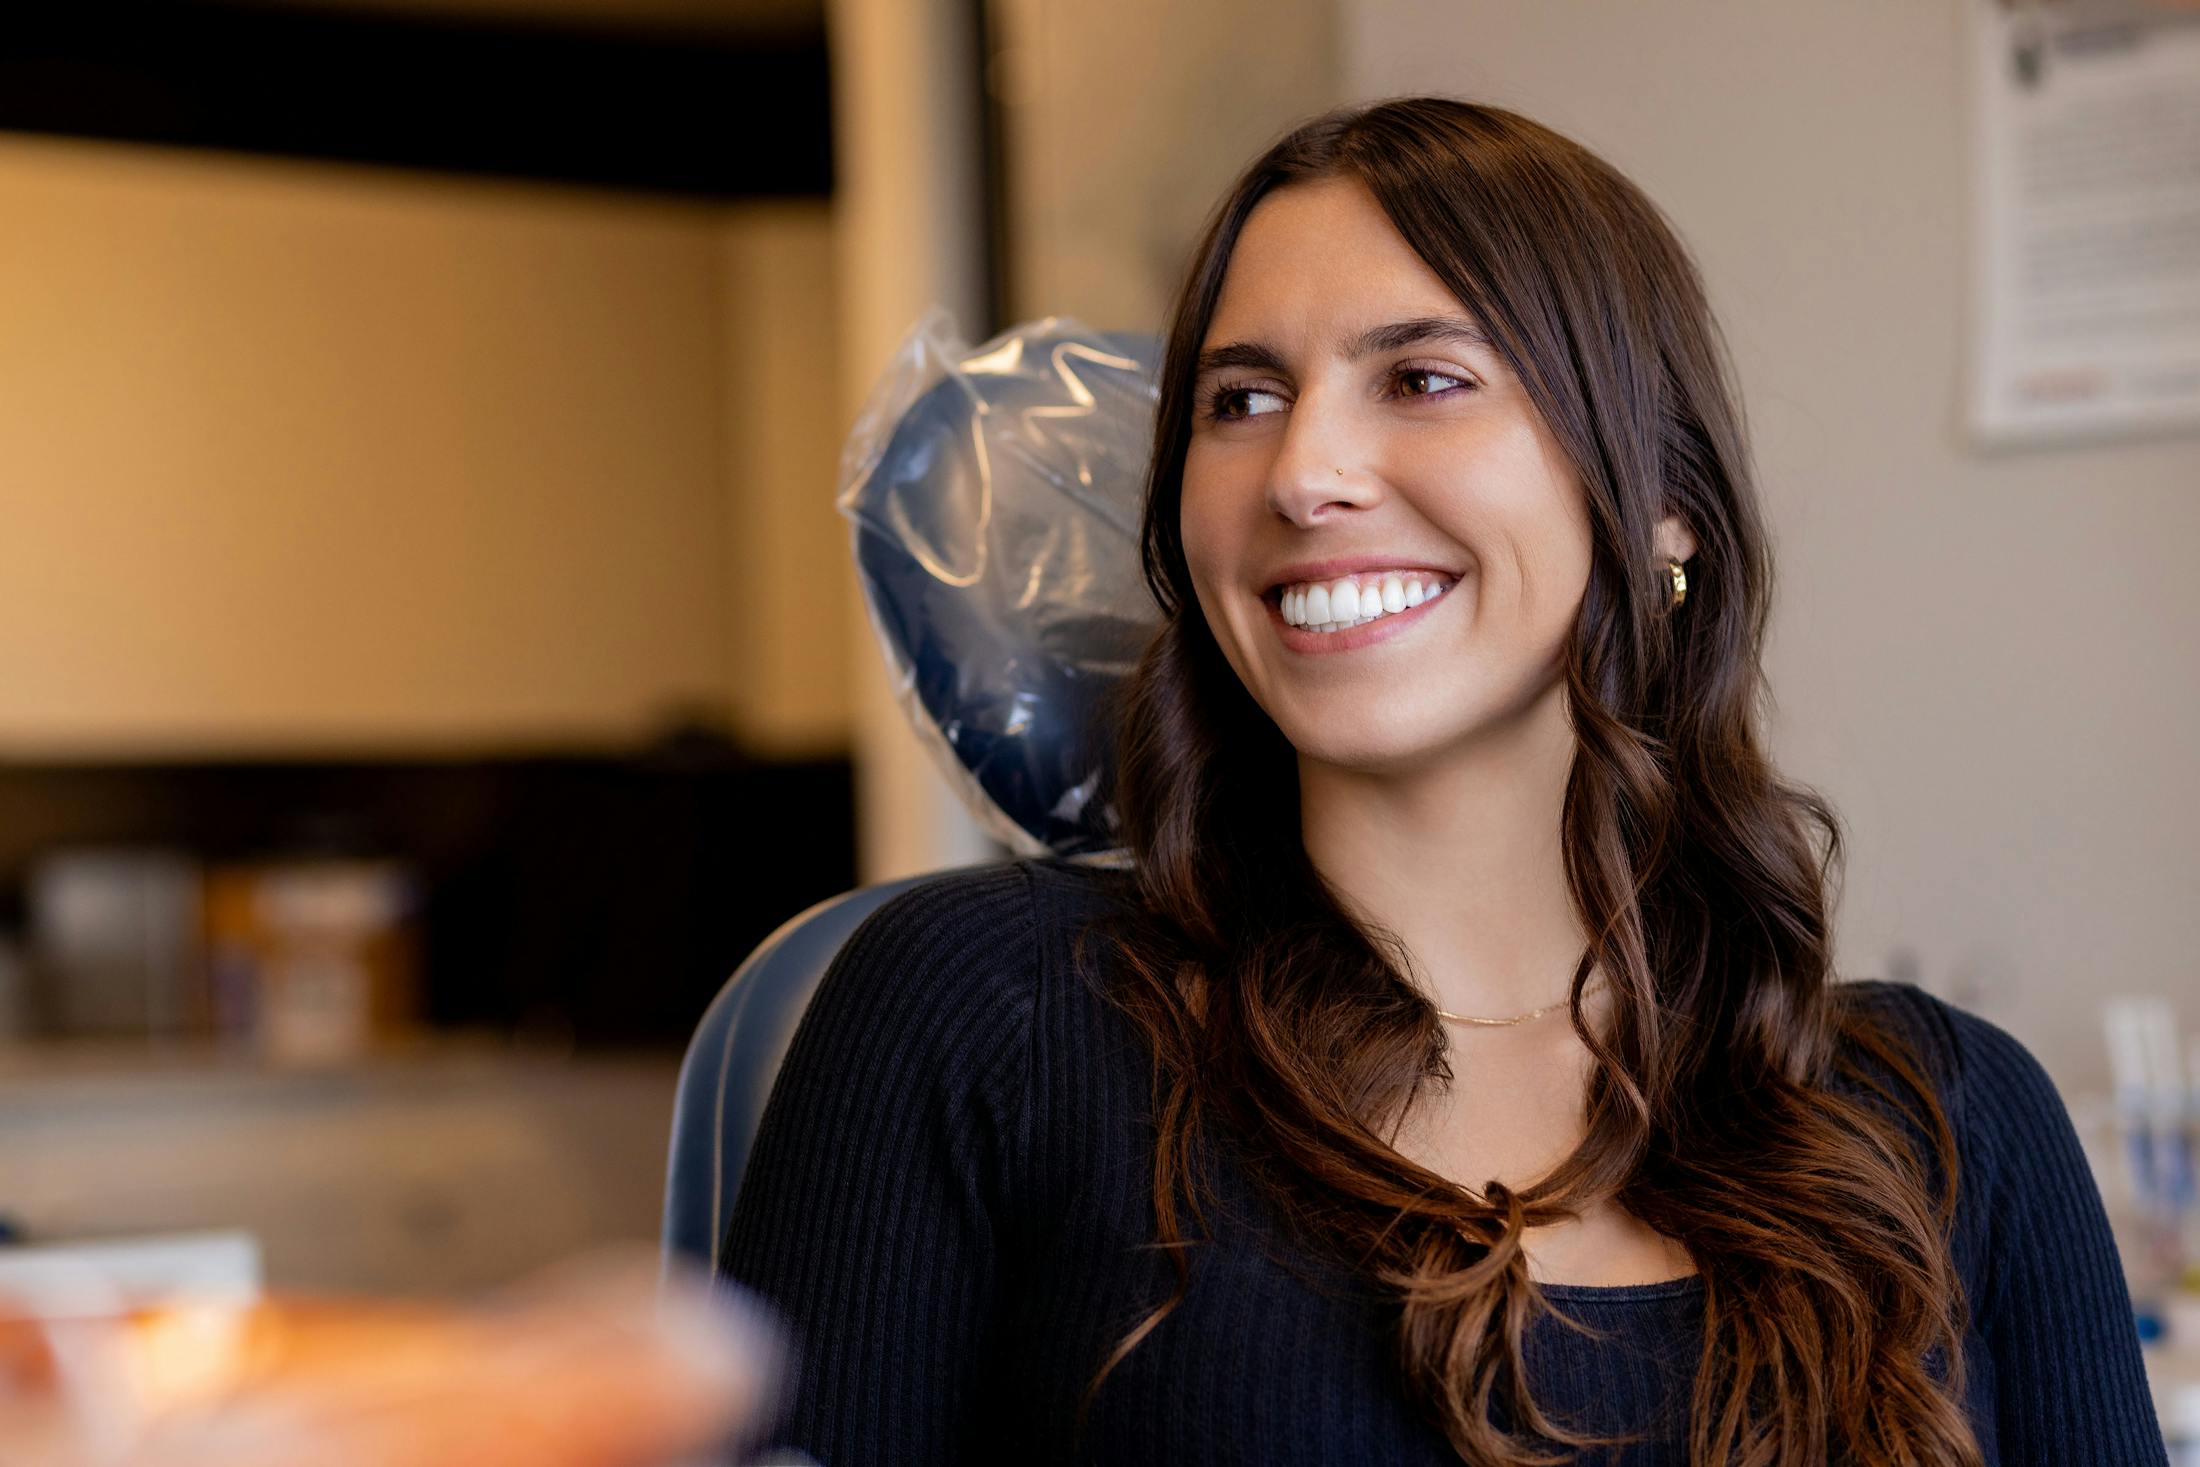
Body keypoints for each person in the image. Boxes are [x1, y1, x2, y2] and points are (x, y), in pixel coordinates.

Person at [718, 96, 2165, 1465]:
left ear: (1662, 501)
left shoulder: (1950, 1117)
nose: (1304, 471)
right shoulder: (987, 1017)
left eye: (1422, 378)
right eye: (1240, 398)